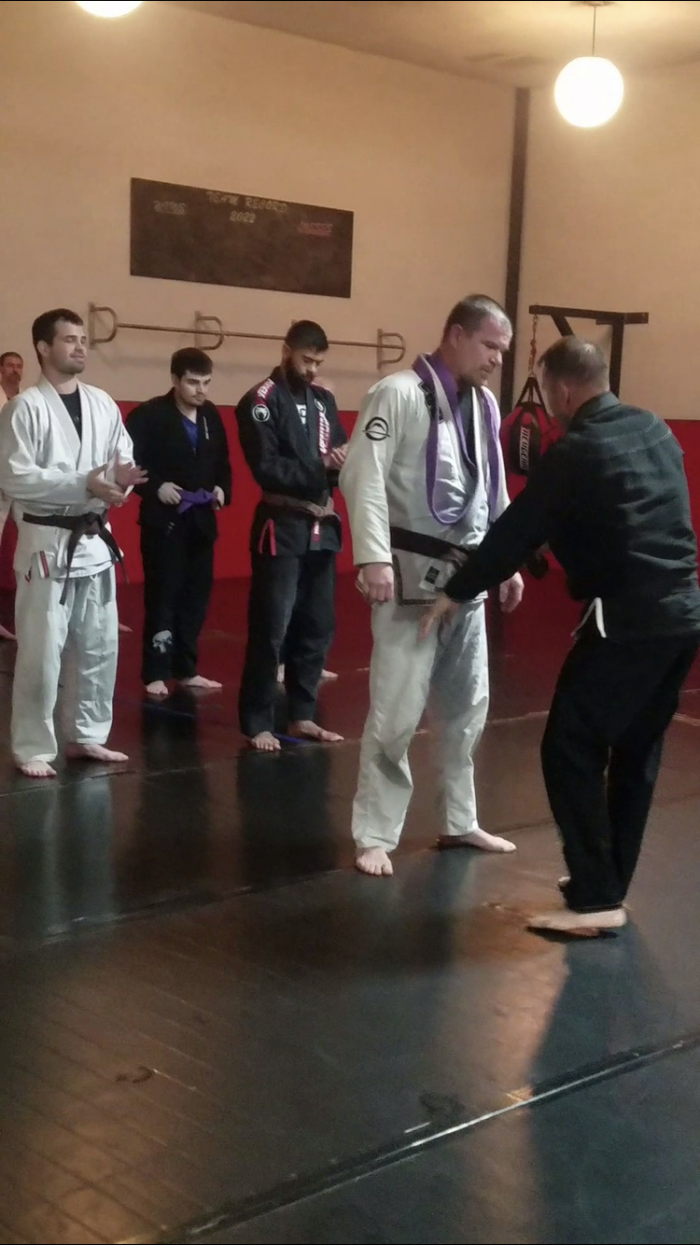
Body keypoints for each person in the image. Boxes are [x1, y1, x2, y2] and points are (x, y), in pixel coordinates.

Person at [423, 337, 700, 935]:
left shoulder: (576, 450)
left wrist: (456, 591)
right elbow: (634, 514)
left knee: (569, 746)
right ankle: (606, 887)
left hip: (627, 622)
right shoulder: (653, 428)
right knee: (636, 752)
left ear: (564, 390)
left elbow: (514, 531)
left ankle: (597, 897)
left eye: (547, 392)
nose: (546, 406)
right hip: (683, 617)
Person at [340, 294, 523, 877]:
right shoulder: (397, 393)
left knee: (467, 709)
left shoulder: (486, 403)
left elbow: (494, 487)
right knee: (395, 713)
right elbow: (362, 475)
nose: (496, 359)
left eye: (503, 350)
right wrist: (373, 558)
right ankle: (375, 834)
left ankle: (459, 819)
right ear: (456, 335)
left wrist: (506, 561)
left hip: (467, 582)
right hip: (409, 577)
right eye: (490, 346)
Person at [0, 308, 146, 779]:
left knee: (99, 646)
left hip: (95, 540)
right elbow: (15, 477)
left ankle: (87, 733)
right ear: (43, 347)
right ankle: (32, 745)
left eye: (83, 339)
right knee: (42, 653)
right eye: (69, 339)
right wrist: (84, 483)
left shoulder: (102, 402)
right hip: (47, 542)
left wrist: (121, 483)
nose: (80, 346)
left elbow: (122, 457)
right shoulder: (24, 409)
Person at [235, 321, 347, 752]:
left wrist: (342, 460)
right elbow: (267, 468)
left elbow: (337, 453)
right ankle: (257, 721)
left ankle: (302, 714)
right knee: (272, 626)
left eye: (318, 362)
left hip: (321, 526)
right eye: (306, 360)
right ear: (286, 351)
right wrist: (323, 466)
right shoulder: (260, 401)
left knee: (317, 625)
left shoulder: (323, 400)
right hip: (280, 524)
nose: (313, 369)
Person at [126, 348, 232, 697]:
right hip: (164, 523)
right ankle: (155, 671)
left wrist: (222, 489)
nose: (201, 390)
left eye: (206, 383)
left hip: (201, 521)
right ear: (174, 379)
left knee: (195, 597)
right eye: (193, 382)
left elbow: (222, 463)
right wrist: (156, 487)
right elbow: (129, 464)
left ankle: (186, 669)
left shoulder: (210, 415)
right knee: (163, 595)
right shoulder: (148, 415)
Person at [0, 352, 24, 639]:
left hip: (21, 481)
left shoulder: (26, 401)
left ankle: (38, 610)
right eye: (9, 365)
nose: (15, 370)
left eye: (19, 366)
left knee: (34, 537)